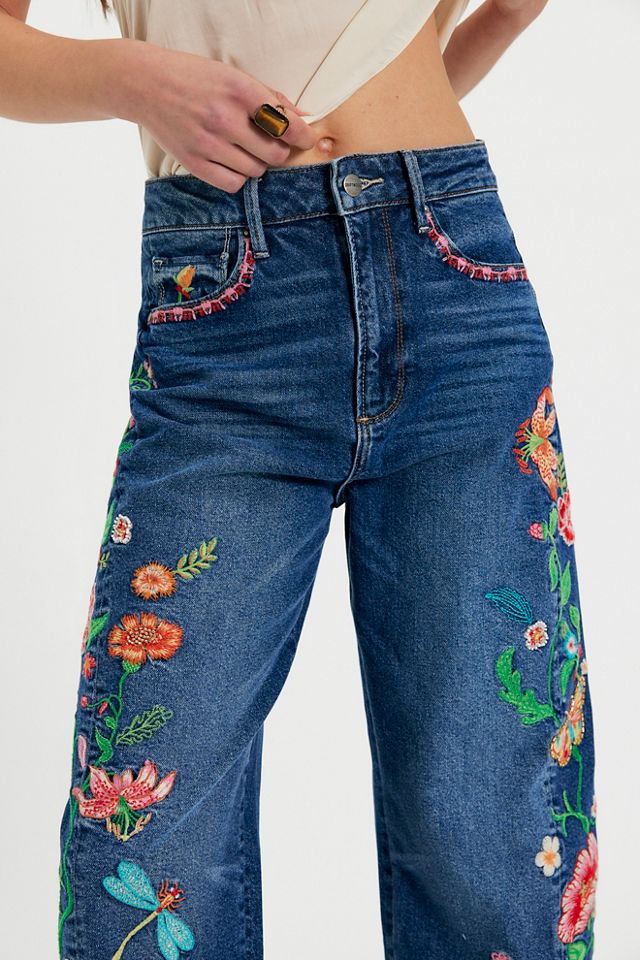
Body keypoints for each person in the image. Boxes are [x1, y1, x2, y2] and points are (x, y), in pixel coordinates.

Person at [2, 1, 599, 958]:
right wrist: (137, 80)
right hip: (224, 309)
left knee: (490, 835)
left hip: (453, 267)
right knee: (148, 833)